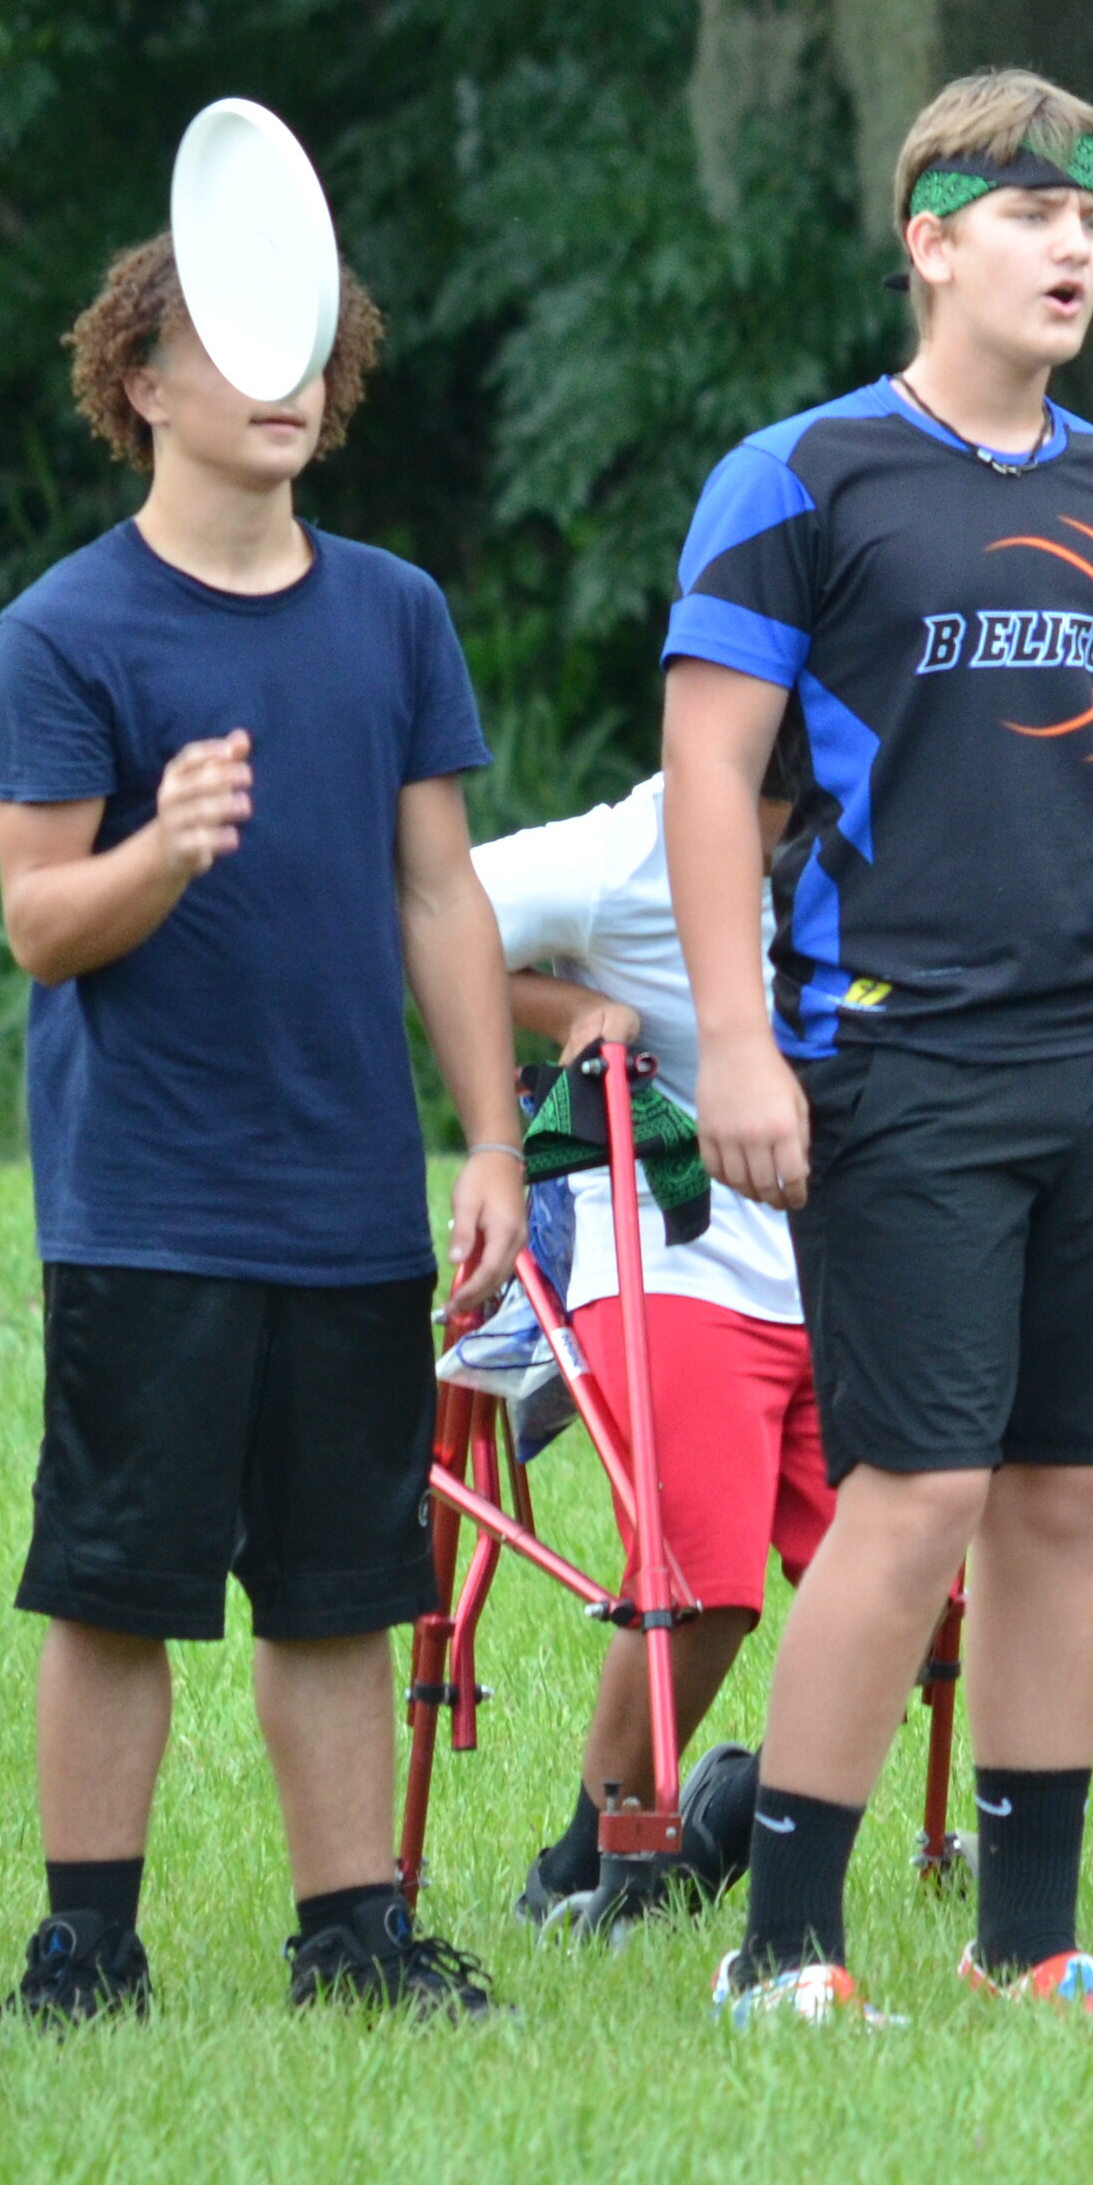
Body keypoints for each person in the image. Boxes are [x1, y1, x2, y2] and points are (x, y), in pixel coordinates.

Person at [662, 68, 1093, 2028]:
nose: (1073, 247)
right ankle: (782, 1947)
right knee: (918, 1488)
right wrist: (736, 1046)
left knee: (1057, 1491)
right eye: (1031, 214)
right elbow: (709, 772)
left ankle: (1030, 1942)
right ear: (929, 240)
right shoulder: (803, 476)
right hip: (895, 1057)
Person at [0, 230, 526, 2021]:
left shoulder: (394, 612)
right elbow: (41, 922)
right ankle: (86, 1951)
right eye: (232, 346)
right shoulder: (64, 631)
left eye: (303, 346)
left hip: (348, 1199)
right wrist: (161, 845)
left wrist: (492, 1141)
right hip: (145, 1205)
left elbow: (439, 894)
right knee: (114, 1585)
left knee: (341, 1588)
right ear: (141, 382)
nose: (280, 379)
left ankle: (352, 1938)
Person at [475, 770, 828, 1933]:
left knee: (909, 1577)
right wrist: (564, 1009)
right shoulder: (624, 856)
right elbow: (420, 918)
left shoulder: (889, 822)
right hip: (674, 1247)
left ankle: (737, 1820)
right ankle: (586, 1864)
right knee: (705, 1581)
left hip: (848, 1249)